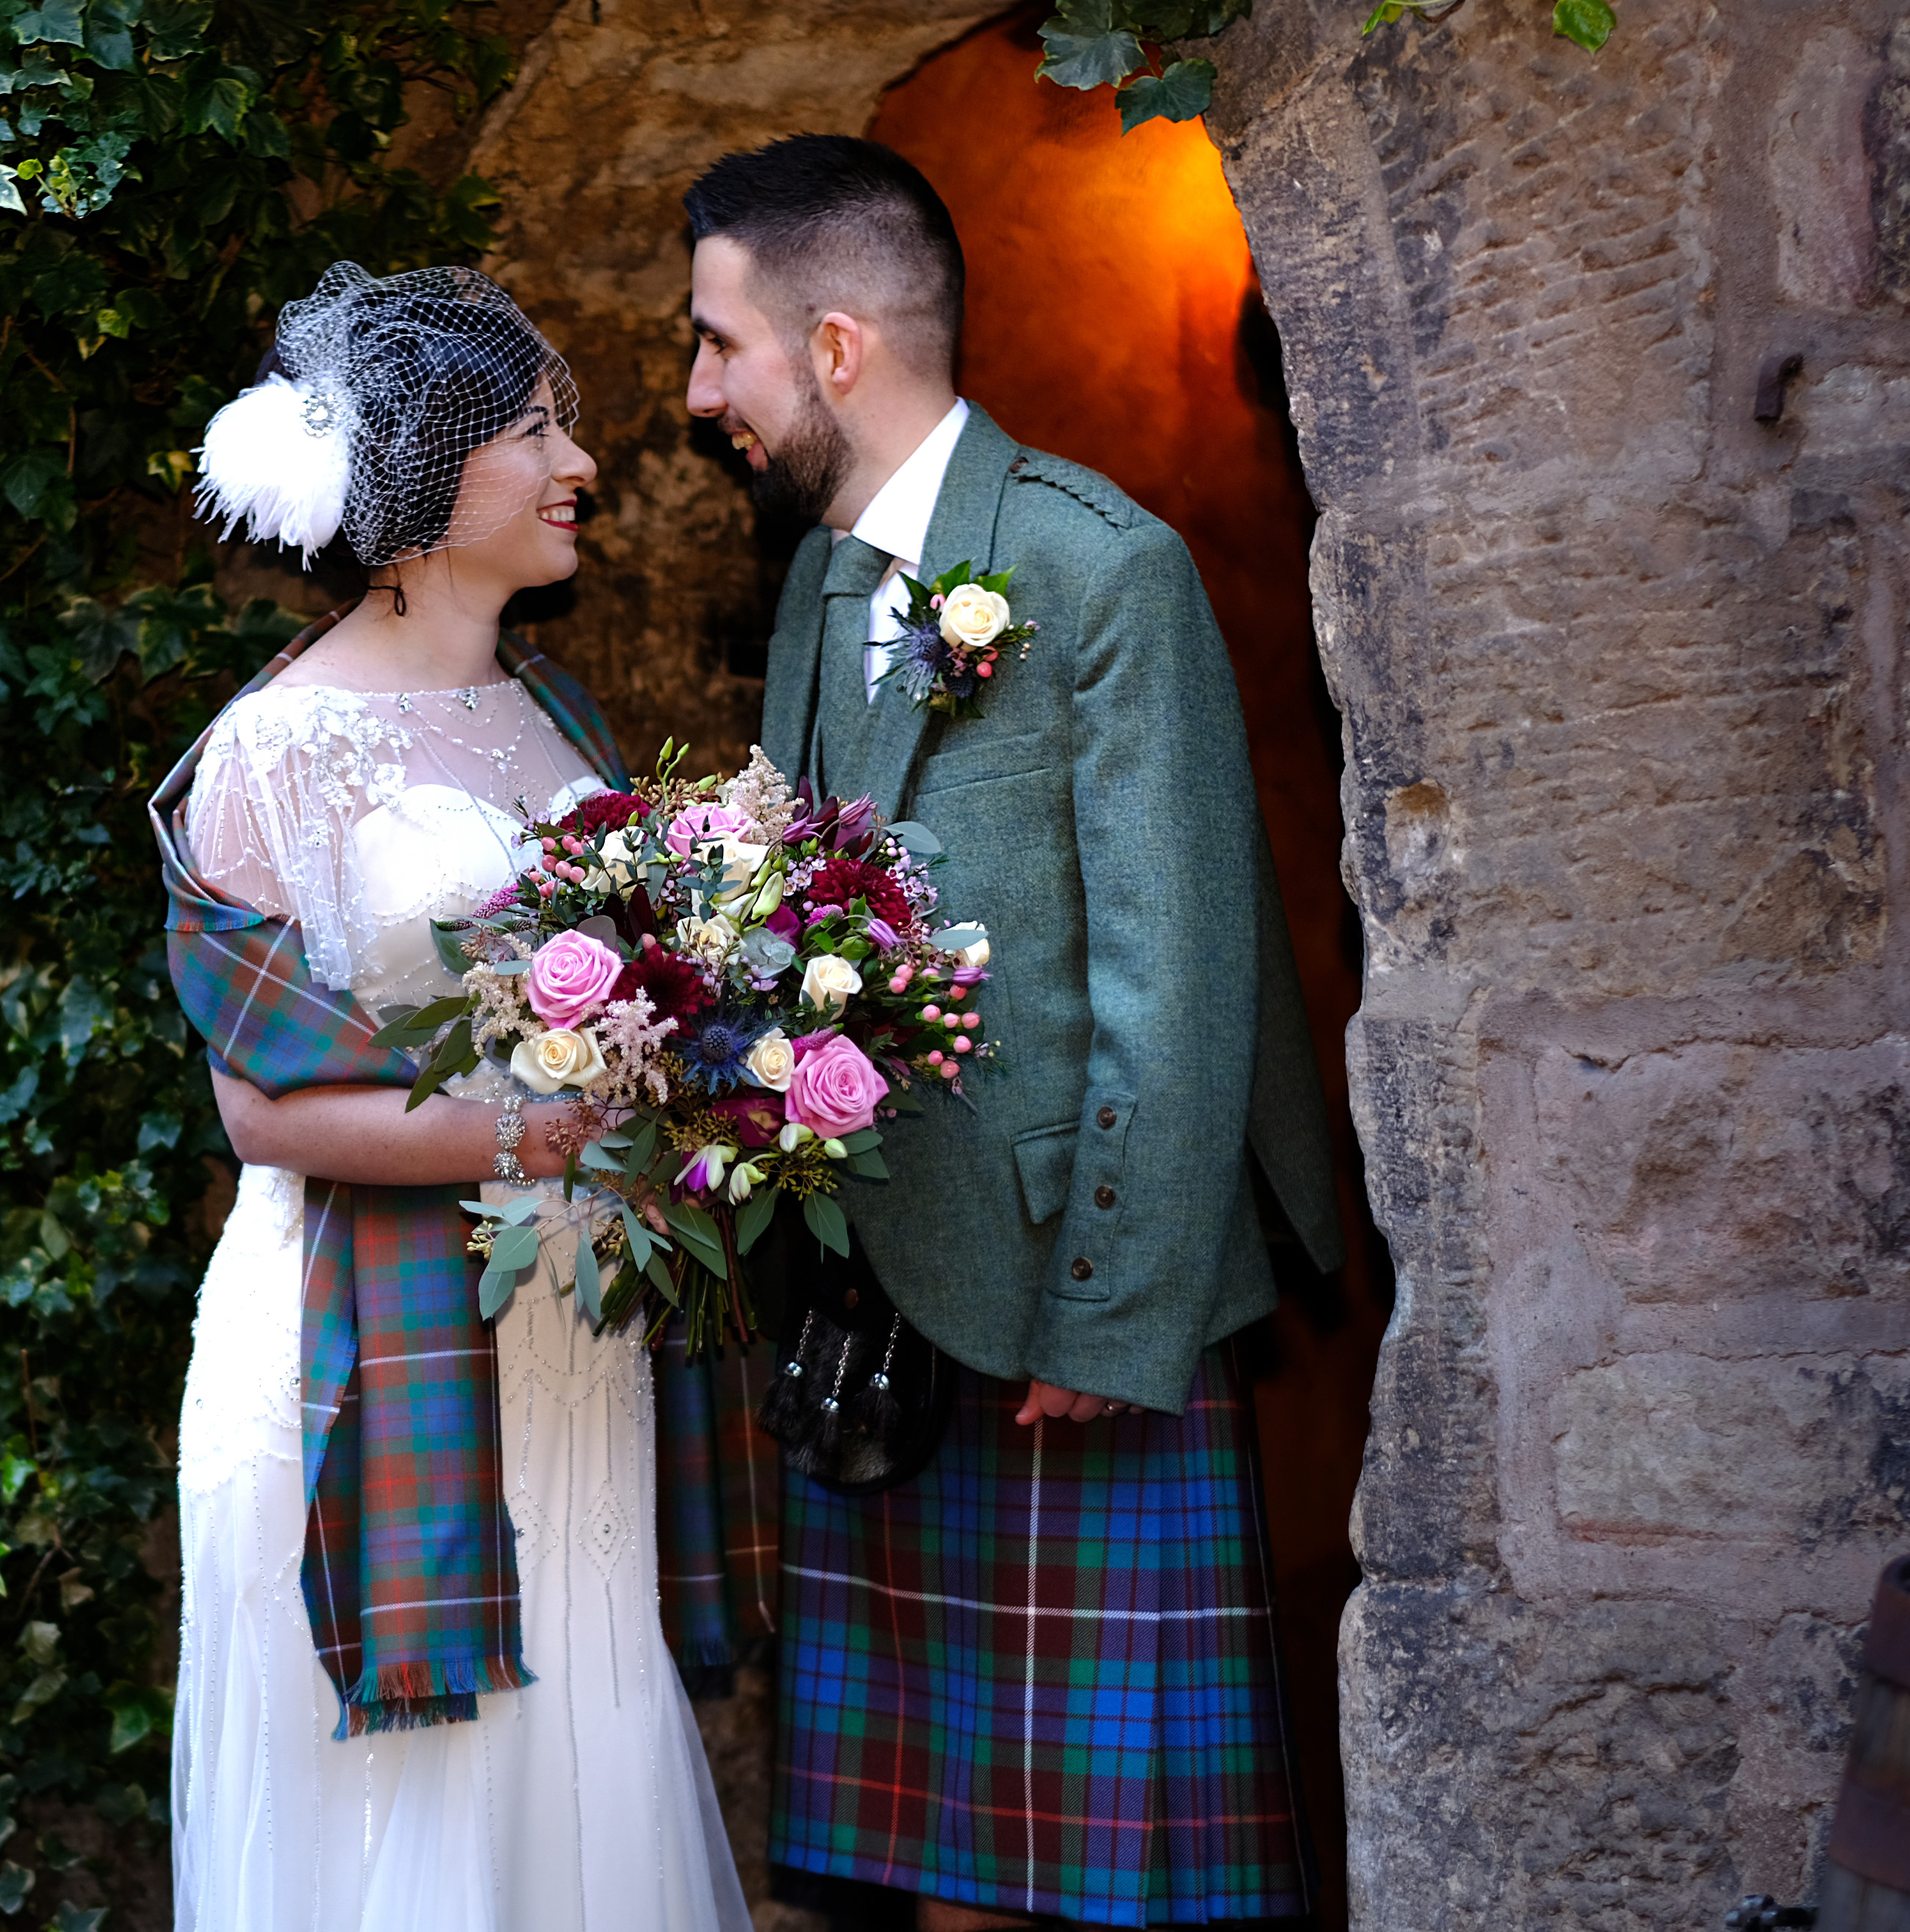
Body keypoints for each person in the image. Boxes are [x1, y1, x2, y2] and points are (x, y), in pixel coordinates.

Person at [681, 137, 1344, 1931]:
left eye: (716, 345)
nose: (694, 393)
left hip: (1070, 1289)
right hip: (891, 1292)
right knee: (940, 1861)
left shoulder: (1094, 565)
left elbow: (1178, 976)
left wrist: (1107, 1319)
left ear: (830, 349)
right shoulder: (824, 584)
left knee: (1086, 1878)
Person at [149, 262, 756, 1932]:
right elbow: (257, 1113)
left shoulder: (550, 710)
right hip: (364, 1343)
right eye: (532, 430)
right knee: (396, 1823)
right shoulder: (268, 750)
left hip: (572, 1331)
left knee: (582, 1745)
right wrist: (545, 1135)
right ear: (416, 487)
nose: (578, 460)